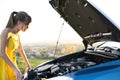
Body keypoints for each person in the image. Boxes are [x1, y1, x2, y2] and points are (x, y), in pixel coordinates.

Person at [0, 11, 32, 80]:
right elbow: (2, 53)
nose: (27, 27)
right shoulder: (6, 32)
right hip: (3, 63)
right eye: (26, 24)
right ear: (19, 22)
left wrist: (27, 64)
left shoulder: (17, 34)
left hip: (11, 62)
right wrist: (16, 70)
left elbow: (20, 49)